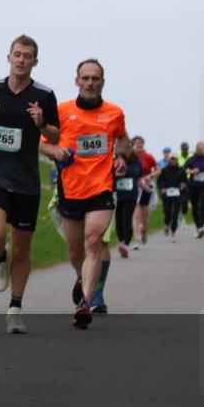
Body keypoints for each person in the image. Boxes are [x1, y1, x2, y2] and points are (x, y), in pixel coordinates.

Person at [0, 35, 60, 334]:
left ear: (35, 62)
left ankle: (15, 309)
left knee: (23, 248)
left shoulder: (44, 95)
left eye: (27, 56)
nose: (21, 60)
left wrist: (40, 124)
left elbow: (56, 135)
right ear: (9, 57)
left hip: (26, 182)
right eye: (17, 54)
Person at [39, 59, 128, 328]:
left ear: (103, 82)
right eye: (85, 78)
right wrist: (56, 152)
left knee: (93, 241)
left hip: (101, 188)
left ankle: (85, 303)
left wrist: (121, 156)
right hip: (71, 188)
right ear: (77, 81)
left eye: (95, 78)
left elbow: (122, 138)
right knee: (74, 250)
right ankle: (81, 277)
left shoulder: (114, 113)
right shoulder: (62, 111)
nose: (90, 83)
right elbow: (43, 144)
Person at [114, 148, 143, 258]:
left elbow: (139, 175)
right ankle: (121, 241)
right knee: (119, 220)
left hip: (131, 194)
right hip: (118, 194)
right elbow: (109, 174)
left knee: (127, 218)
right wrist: (117, 174)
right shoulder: (116, 160)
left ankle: (126, 245)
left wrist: (141, 181)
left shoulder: (137, 162)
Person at [131, 136, 158, 249]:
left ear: (143, 144)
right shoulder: (130, 157)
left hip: (146, 186)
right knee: (135, 214)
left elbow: (158, 170)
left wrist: (149, 176)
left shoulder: (148, 157)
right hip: (135, 186)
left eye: (140, 143)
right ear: (134, 144)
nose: (139, 145)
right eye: (137, 143)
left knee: (144, 214)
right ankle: (137, 240)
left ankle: (144, 229)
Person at [185, 142, 204, 239]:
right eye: (199, 149)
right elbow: (185, 169)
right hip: (193, 186)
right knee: (195, 207)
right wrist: (192, 171)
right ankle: (198, 227)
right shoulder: (191, 160)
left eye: (203, 149)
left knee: (203, 205)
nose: (201, 151)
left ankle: (201, 227)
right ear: (196, 149)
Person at [157, 155, 187, 241]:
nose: (173, 161)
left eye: (174, 159)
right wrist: (161, 189)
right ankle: (166, 225)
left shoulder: (181, 170)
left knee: (175, 215)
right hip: (167, 194)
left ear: (177, 160)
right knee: (168, 215)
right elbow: (159, 182)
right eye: (171, 159)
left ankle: (173, 234)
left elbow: (186, 182)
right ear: (169, 160)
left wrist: (184, 185)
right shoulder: (165, 170)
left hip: (178, 194)